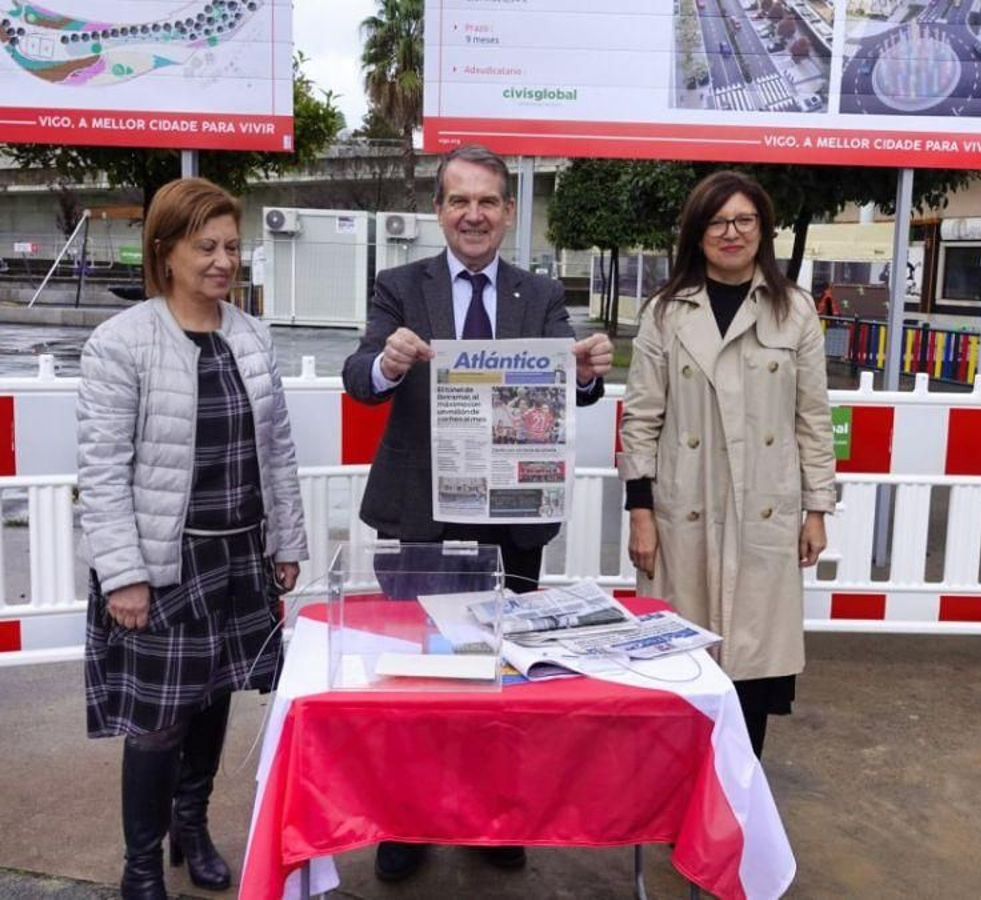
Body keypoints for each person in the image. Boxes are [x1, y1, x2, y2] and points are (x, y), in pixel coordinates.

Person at [341, 144, 613, 882]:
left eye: (487, 201)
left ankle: (493, 814)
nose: (473, 214)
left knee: (502, 676)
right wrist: (388, 363)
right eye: (458, 200)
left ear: (508, 211)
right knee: (420, 678)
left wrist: (586, 375)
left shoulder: (541, 294)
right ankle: (409, 817)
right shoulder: (399, 286)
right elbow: (360, 378)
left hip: (512, 517)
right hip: (422, 512)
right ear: (438, 211)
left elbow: (566, 386)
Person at [77, 177, 308, 900]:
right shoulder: (122, 344)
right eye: (205, 246)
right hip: (164, 563)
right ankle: (140, 866)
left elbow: (277, 452)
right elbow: (103, 470)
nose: (222, 261)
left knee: (215, 700)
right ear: (165, 252)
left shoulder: (251, 336)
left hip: (240, 554)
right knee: (156, 723)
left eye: (232, 246)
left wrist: (287, 543)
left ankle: (194, 826)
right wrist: (123, 576)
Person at [619, 170, 837, 760]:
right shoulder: (665, 313)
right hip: (681, 509)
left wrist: (818, 508)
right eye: (717, 221)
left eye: (744, 220)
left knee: (751, 668)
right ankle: (679, 798)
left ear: (763, 229)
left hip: (762, 510)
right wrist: (640, 511)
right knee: (678, 664)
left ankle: (738, 801)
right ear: (697, 232)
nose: (731, 232)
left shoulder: (792, 311)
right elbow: (641, 418)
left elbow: (812, 418)